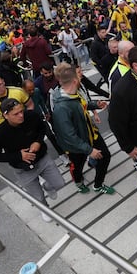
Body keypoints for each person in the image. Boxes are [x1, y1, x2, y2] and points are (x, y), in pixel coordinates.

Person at [0, 98, 65, 222]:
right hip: (22, 168)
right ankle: (44, 209)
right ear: (5, 115)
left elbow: (42, 127)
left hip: (42, 158)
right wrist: (18, 155)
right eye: (16, 114)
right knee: (38, 196)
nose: (21, 115)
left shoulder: (31, 116)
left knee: (59, 183)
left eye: (21, 111)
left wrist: (38, 142)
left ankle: (48, 187)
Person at [51, 63, 115, 195]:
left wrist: (95, 104)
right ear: (74, 80)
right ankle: (79, 182)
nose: (81, 78)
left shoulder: (75, 93)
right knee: (78, 166)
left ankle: (98, 185)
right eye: (79, 76)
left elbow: (83, 105)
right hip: (76, 146)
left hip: (91, 134)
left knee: (106, 156)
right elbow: (69, 136)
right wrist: (89, 150)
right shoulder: (61, 107)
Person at [0, 74, 33, 144]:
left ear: (3, 82)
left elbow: (30, 104)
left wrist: (30, 119)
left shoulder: (18, 92)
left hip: (22, 127)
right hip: (4, 132)